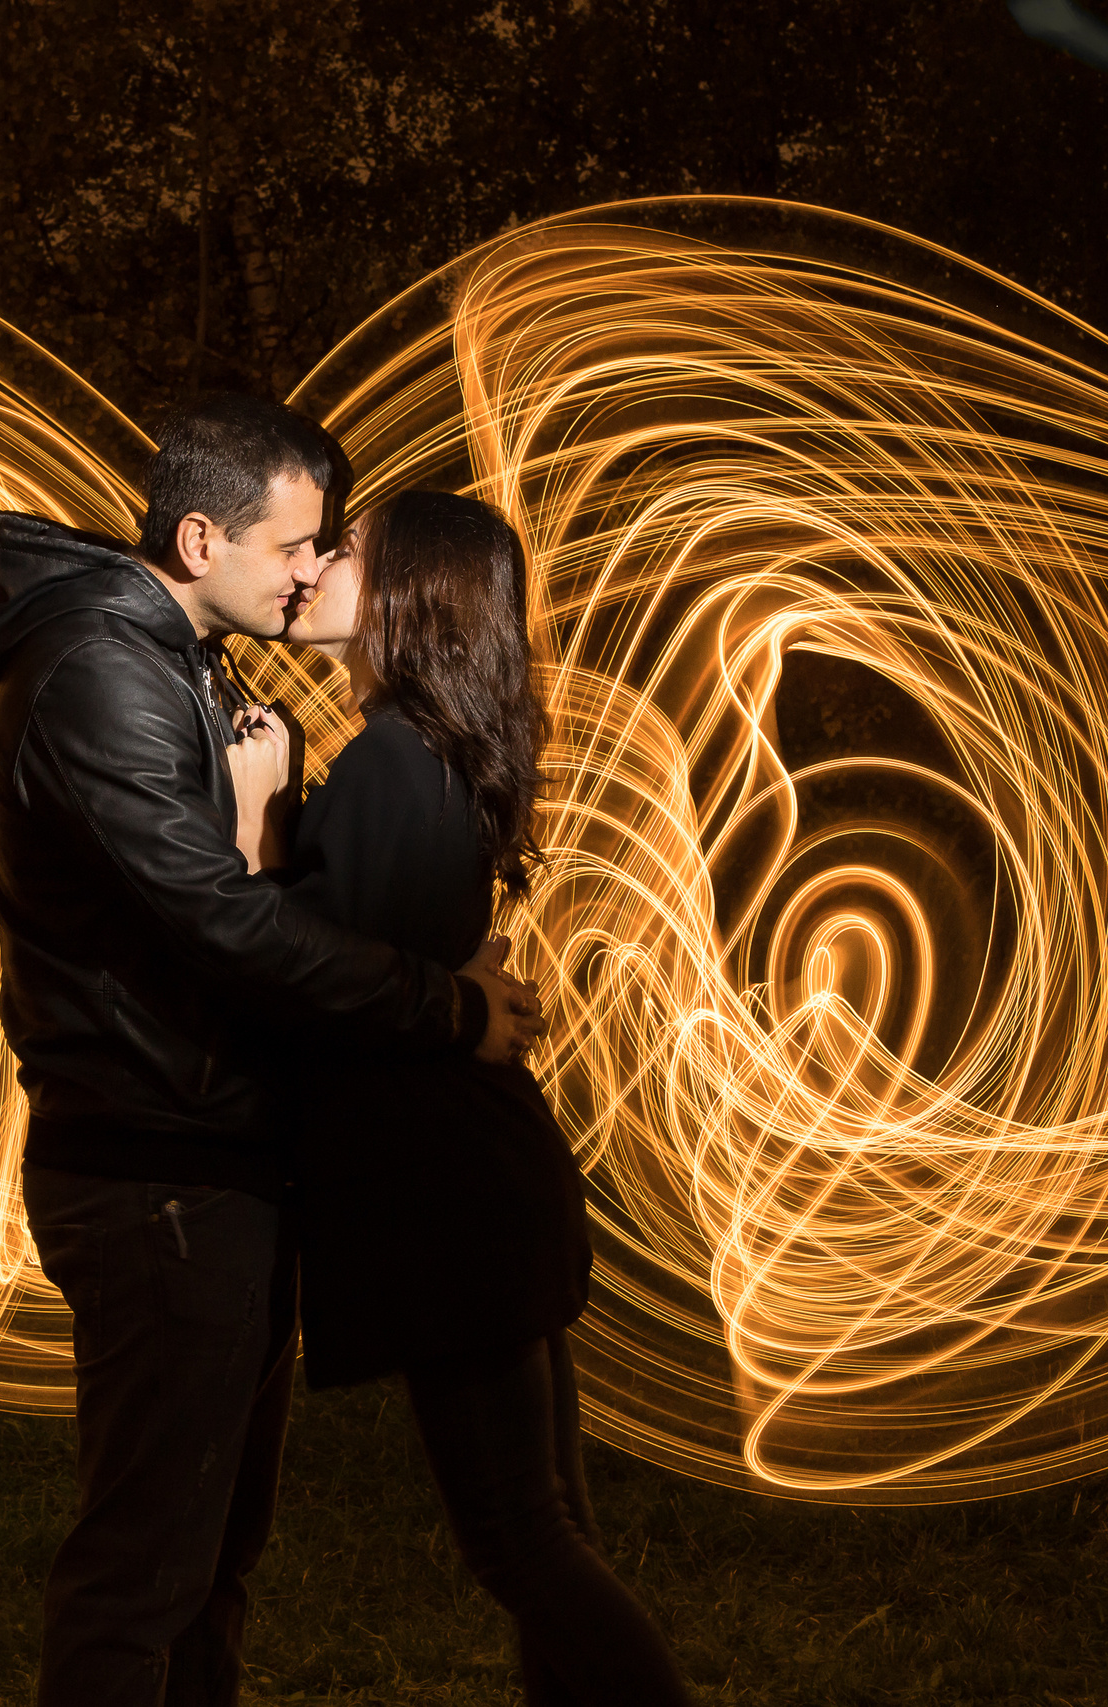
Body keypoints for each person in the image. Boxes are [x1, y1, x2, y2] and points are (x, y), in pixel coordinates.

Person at [0, 396, 543, 1707]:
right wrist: (445, 1005)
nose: (314, 567)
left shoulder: (169, 653)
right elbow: (219, 918)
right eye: (297, 542)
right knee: (146, 1572)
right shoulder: (109, 670)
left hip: (209, 1152)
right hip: (160, 1163)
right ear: (198, 535)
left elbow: (251, 886)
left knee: (208, 1560)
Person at [228, 488, 692, 1705]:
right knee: (549, 1530)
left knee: (521, 1542)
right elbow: (392, 954)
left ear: (411, 592)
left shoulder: (389, 757)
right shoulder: (421, 750)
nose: (320, 562)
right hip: (477, 1179)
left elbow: (311, 986)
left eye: (351, 550)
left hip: (445, 1196)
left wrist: (252, 845)